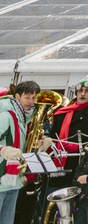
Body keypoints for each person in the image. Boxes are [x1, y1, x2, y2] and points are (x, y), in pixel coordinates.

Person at [0, 81, 43, 224]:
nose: (31, 102)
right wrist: (3, 150)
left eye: (34, 98)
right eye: (27, 97)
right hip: (2, 175)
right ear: (17, 97)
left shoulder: (23, 117)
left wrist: (40, 143)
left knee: (7, 220)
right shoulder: (6, 116)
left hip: (13, 179)